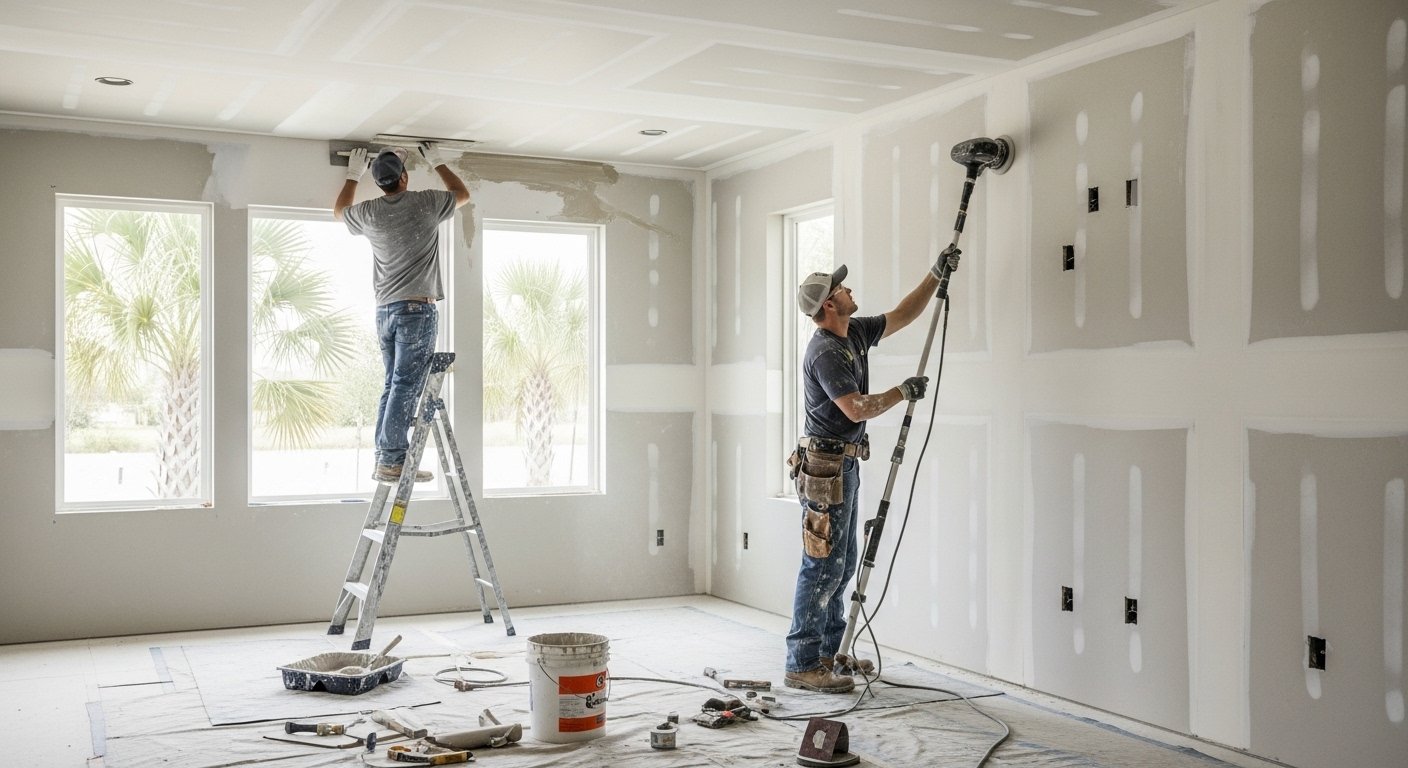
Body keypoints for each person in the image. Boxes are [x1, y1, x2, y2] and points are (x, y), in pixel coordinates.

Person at [784, 251, 958, 693]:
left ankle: (828, 652)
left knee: (841, 564)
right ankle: (802, 663)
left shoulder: (853, 331)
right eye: (841, 288)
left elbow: (903, 314)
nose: (848, 289)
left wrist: (934, 274)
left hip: (843, 461)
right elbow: (856, 407)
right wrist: (901, 392)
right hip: (824, 467)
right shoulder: (825, 351)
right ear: (829, 305)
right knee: (820, 564)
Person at [334, 142, 471, 484]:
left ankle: (386, 458)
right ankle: (393, 460)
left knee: (392, 385)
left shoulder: (369, 212)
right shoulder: (425, 203)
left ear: (379, 183)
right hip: (416, 310)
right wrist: (437, 160)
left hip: (385, 311)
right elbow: (461, 193)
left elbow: (339, 211)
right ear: (405, 178)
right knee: (405, 385)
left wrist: (353, 175)